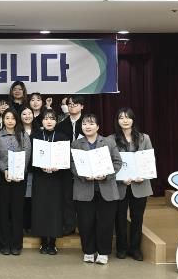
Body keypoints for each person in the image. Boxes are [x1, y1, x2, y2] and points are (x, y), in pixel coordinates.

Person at [71, 113, 123, 265]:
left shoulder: (108, 142)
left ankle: (103, 252)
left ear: (98, 126)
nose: (87, 126)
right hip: (84, 189)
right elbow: (72, 164)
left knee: (105, 223)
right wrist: (83, 175)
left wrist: (106, 175)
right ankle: (88, 251)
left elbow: (117, 162)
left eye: (91, 123)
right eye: (85, 124)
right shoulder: (76, 144)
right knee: (85, 223)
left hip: (106, 189)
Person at [110, 107, 154, 261]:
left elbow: (149, 160)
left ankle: (135, 248)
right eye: (121, 117)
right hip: (120, 185)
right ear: (117, 121)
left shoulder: (144, 138)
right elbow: (109, 163)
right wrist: (120, 178)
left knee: (137, 218)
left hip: (140, 184)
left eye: (128, 117)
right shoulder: (111, 139)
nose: (125, 120)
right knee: (120, 218)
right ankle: (121, 248)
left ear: (133, 120)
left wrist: (144, 175)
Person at [31, 109, 71, 255]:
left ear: (56, 121)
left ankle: (53, 243)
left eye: (52, 118)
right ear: (41, 121)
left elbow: (67, 160)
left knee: (55, 210)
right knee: (41, 209)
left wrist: (59, 167)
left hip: (57, 179)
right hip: (40, 178)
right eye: (46, 118)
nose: (49, 121)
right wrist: (39, 166)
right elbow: (29, 159)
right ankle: (43, 242)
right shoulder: (35, 137)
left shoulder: (63, 137)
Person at [0, 108, 32, 255]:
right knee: (2, 211)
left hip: (19, 178)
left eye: (13, 118)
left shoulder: (23, 135)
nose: (10, 121)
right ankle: (3, 244)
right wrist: (4, 170)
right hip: (2, 177)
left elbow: (27, 155)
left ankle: (16, 245)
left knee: (17, 211)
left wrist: (18, 171)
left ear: (17, 120)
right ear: (3, 120)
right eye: (7, 118)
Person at [56, 95, 85, 235]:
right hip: (66, 164)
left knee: (83, 196)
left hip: (84, 164)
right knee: (67, 196)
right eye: (70, 104)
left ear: (82, 106)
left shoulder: (87, 123)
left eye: (75, 104)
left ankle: (83, 225)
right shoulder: (61, 125)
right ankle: (69, 225)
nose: (72, 106)